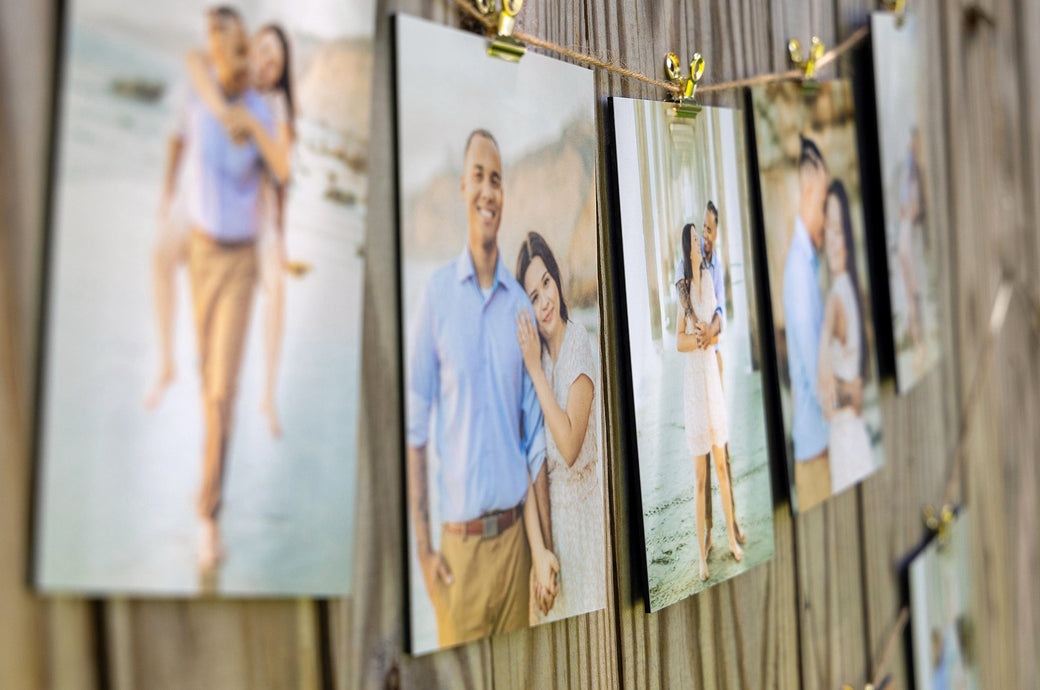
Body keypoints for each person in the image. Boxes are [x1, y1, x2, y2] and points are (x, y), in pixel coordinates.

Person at [406, 129, 558, 648]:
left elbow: (533, 442)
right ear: (462, 189)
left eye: (496, 179)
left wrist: (542, 551)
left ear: (503, 194)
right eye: (478, 176)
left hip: (517, 548)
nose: (487, 190)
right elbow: (415, 427)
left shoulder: (521, 307)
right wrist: (424, 551)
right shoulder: (436, 297)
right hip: (459, 559)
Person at [161, 7, 278, 570]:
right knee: (205, 378)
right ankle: (208, 484)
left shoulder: (259, 109)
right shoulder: (198, 86)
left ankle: (208, 514)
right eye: (220, 51)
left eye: (236, 53)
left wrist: (252, 126)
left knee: (222, 394)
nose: (230, 63)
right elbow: (179, 140)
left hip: (238, 263)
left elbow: (281, 167)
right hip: (201, 255)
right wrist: (165, 201)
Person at [148, 20, 294, 441]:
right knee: (161, 254)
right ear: (248, 47)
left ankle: (267, 393)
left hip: (254, 214)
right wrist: (167, 191)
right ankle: (166, 363)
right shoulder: (221, 77)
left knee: (277, 288)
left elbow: (281, 174)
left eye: (277, 61)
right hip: (204, 197)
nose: (267, 62)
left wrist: (281, 235)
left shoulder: (275, 107)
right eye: (263, 50)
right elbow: (180, 131)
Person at [515, 231, 605, 623]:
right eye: (533, 296)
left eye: (546, 283)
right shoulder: (541, 362)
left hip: (586, 528)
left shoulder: (577, 345)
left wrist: (534, 369)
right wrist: (540, 549)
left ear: (557, 277)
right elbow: (528, 461)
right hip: (556, 535)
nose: (545, 301)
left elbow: (569, 447)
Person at [676, 223, 741, 582]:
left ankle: (732, 537)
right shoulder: (683, 290)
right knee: (700, 478)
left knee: (721, 467)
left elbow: (718, 319)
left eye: (701, 242)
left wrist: (709, 332)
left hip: (711, 381)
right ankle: (701, 557)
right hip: (693, 387)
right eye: (695, 243)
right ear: (687, 250)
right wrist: (698, 337)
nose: (701, 246)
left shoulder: (710, 282)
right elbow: (678, 343)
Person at [782, 135, 833, 510]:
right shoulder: (799, 269)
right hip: (817, 455)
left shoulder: (807, 262)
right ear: (811, 189)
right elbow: (818, 369)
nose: (829, 219)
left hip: (819, 448)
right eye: (826, 204)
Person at [692, 201, 746, 551]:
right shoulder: (692, 264)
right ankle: (710, 530)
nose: (708, 237)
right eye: (705, 230)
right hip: (697, 367)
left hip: (716, 361)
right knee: (703, 453)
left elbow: (722, 312)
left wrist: (713, 328)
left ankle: (733, 519)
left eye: (712, 230)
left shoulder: (718, 266)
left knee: (722, 444)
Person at [816, 180, 872, 493]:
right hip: (853, 435)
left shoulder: (837, 296)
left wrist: (836, 392)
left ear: (848, 237)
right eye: (828, 230)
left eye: (839, 230)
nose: (833, 241)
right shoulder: (849, 288)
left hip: (846, 440)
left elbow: (824, 392)